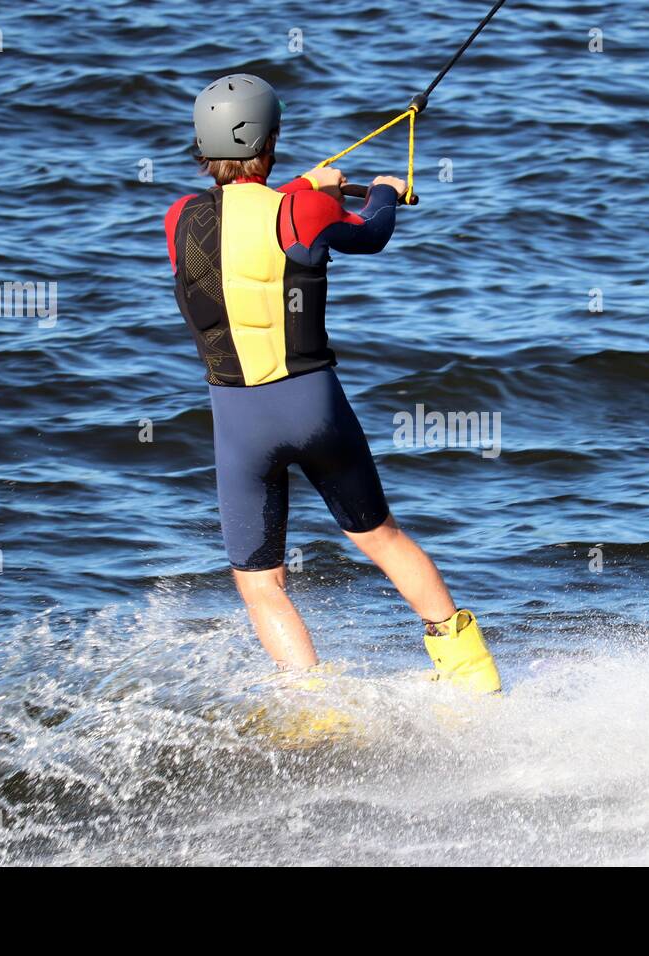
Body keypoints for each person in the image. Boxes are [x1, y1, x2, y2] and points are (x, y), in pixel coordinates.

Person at [164, 73, 500, 694]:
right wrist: (383, 191)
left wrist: (304, 183)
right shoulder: (304, 210)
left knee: (261, 581)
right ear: (271, 141)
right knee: (382, 538)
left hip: (238, 426)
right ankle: (475, 680)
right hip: (314, 407)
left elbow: (241, 221)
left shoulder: (178, 219)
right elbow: (368, 232)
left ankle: (315, 705)